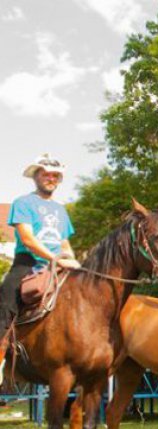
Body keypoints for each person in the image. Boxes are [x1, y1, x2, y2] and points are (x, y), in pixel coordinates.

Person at [0, 154, 80, 374]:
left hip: (58, 266)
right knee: (6, 300)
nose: (50, 178)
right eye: (46, 174)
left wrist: (72, 260)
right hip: (28, 263)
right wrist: (52, 258)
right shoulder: (23, 203)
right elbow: (27, 239)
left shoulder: (61, 210)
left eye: (55, 175)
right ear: (36, 176)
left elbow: (64, 242)